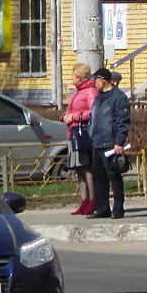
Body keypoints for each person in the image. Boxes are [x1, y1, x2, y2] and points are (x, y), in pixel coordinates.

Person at [88, 66, 131, 219]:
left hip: (111, 144)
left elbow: (122, 121)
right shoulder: (99, 97)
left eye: (95, 80)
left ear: (102, 81)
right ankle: (102, 209)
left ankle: (118, 209)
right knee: (99, 178)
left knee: (114, 177)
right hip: (97, 143)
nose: (94, 83)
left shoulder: (119, 98)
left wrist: (119, 142)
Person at [61, 62, 97, 216]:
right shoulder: (76, 92)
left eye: (74, 75)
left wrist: (75, 117)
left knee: (87, 167)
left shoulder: (90, 91)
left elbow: (94, 111)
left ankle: (92, 200)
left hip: (84, 133)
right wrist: (65, 117)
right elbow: (69, 110)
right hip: (74, 132)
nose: (71, 78)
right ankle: (83, 200)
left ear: (80, 77)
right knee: (78, 169)